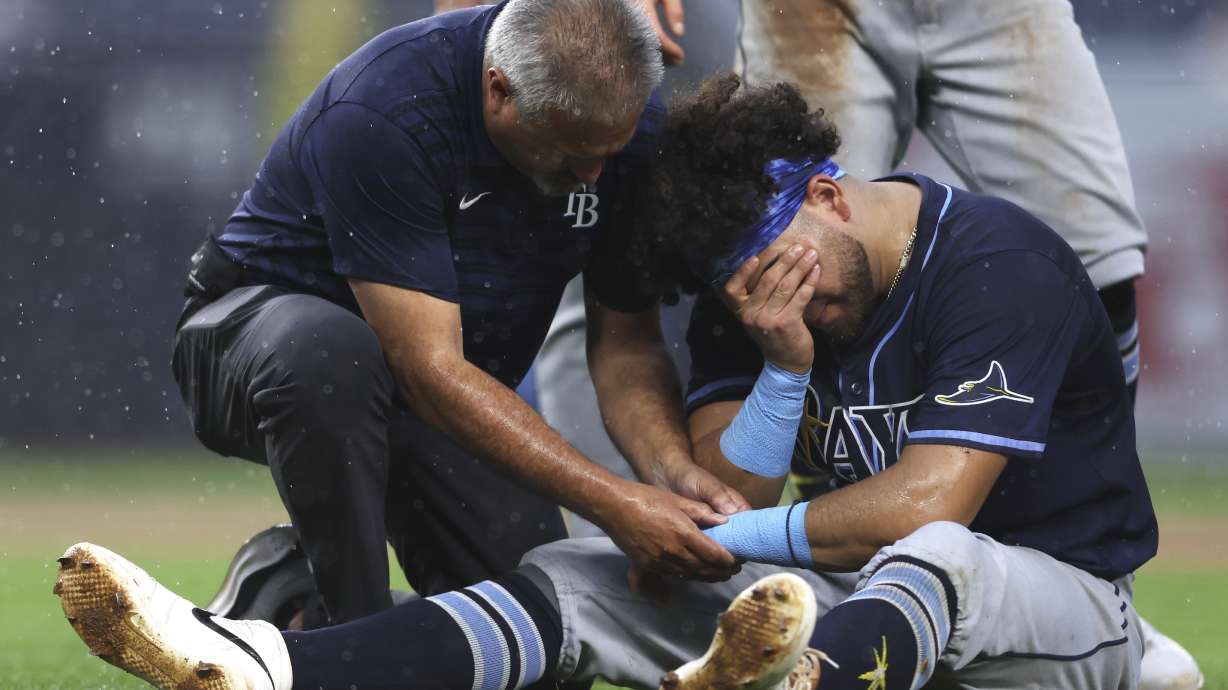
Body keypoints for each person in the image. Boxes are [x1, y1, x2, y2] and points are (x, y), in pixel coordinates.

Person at [59, 77, 1166, 690]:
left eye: (787, 276)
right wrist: (783, 370)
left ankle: (800, 681)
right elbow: (733, 486)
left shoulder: (997, 263)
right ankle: (273, 665)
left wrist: (727, 539)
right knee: (578, 575)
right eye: (742, 295)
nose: (782, 301)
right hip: (851, 615)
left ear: (828, 196)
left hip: (1053, 615)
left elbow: (928, 502)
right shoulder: (759, 299)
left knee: (937, 554)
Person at [172, 0, 747, 634]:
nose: (593, 175)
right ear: (498, 90)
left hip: (434, 388)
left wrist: (669, 473)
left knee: (540, 638)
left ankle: (289, 601)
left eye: (610, 151)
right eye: (570, 151)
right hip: (253, 351)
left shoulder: (620, 128)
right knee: (331, 352)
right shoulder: (385, 110)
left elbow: (625, 347)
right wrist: (616, 505)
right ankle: (348, 633)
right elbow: (426, 368)